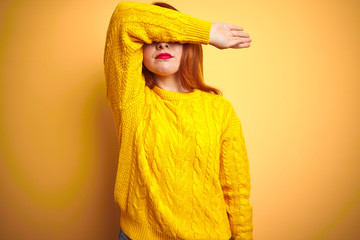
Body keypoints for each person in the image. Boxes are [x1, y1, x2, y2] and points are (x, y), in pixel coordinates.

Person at [103, 1, 253, 240]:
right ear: (140, 51)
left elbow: (236, 191)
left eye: (172, 37)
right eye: (153, 38)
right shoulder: (130, 100)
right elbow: (124, 19)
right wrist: (208, 33)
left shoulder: (219, 109)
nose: (162, 43)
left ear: (187, 47)